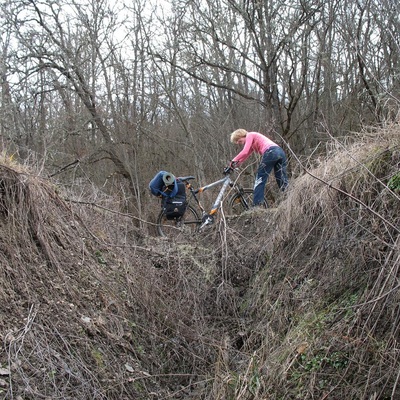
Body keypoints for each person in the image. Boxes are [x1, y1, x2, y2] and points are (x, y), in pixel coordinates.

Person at [228, 129, 288, 206]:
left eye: (238, 140)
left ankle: (257, 206)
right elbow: (246, 155)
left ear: (242, 135)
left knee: (260, 178)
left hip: (271, 152)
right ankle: (289, 198)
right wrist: (235, 165)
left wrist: (232, 161)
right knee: (281, 178)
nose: (238, 143)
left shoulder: (250, 135)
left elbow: (245, 151)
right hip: (280, 152)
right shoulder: (252, 141)